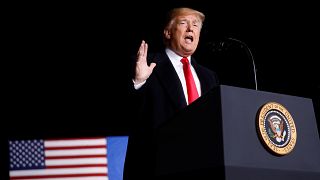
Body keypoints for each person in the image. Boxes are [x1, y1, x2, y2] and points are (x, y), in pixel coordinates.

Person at [124, 7, 220, 180]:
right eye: (184, 23)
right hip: (157, 168)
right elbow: (127, 114)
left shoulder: (209, 76)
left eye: (196, 25)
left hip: (203, 167)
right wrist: (138, 83)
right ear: (168, 32)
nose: (191, 28)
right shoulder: (146, 65)